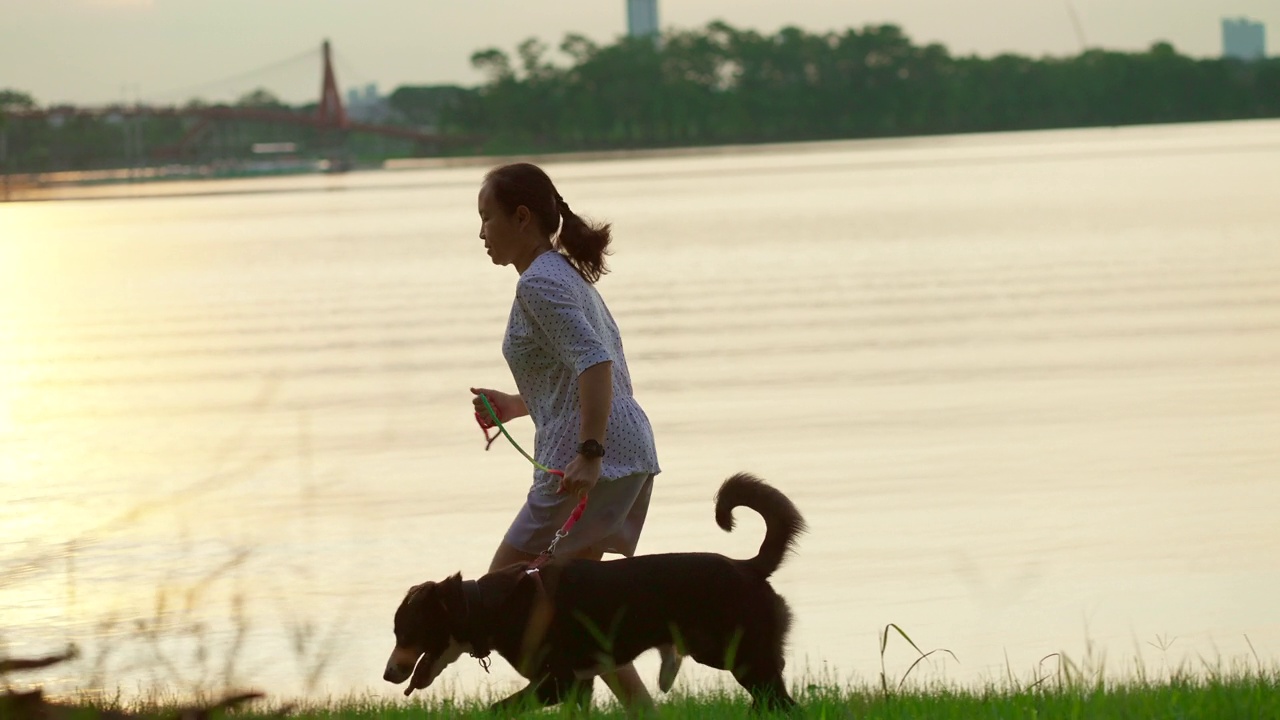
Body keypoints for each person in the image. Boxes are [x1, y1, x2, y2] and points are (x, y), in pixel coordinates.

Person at [469, 162, 664, 709]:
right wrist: (511, 405)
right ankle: (634, 709)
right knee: (577, 601)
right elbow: (569, 376)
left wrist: (589, 453)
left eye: (487, 218)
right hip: (620, 449)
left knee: (500, 582)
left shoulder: (539, 284)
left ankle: (557, 690)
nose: (481, 232)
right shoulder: (558, 271)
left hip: (595, 457)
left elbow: (596, 364)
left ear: (522, 217)